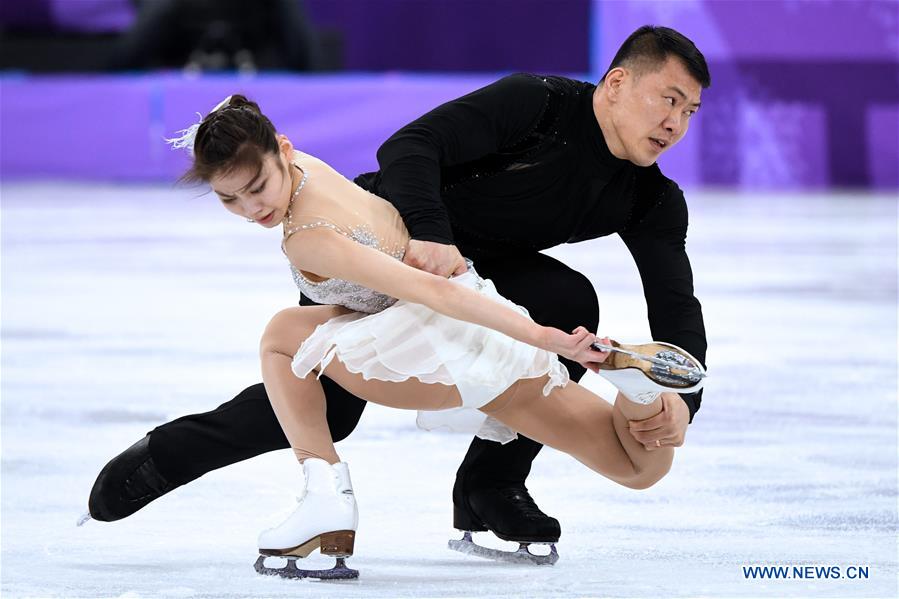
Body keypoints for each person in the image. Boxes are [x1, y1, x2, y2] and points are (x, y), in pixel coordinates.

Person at [86, 24, 710, 566]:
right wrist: (431, 238)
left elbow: (676, 308)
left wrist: (682, 403)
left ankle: (490, 485)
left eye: (690, 112)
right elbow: (413, 146)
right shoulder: (538, 104)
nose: (675, 123)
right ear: (619, 82)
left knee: (566, 298)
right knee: (331, 409)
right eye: (669, 99)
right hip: (379, 249)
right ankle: (172, 453)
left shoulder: (652, 199)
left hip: (472, 271)